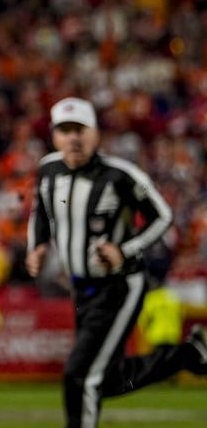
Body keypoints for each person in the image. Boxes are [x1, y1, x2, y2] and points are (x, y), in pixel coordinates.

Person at [25, 97, 207, 428]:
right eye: (65, 131)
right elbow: (41, 211)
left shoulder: (119, 175)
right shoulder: (48, 170)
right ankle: (189, 355)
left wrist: (125, 249)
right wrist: (36, 246)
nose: (73, 138)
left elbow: (162, 216)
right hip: (81, 290)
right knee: (105, 378)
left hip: (120, 285)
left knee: (79, 376)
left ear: (95, 134)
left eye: (80, 130)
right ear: (54, 135)